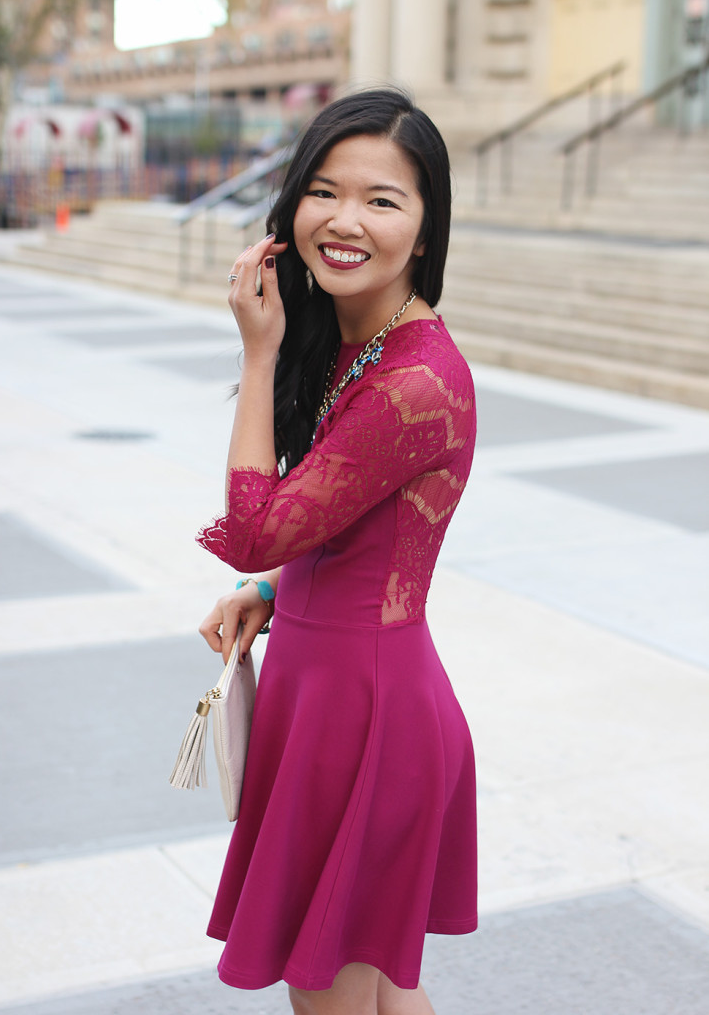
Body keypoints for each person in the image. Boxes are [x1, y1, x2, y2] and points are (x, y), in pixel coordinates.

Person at [197, 88, 477, 1015]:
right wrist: (275, 590)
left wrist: (257, 353)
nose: (344, 219)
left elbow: (254, 525)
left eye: (382, 199)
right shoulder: (361, 347)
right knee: (378, 995)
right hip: (330, 695)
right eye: (323, 190)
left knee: (335, 999)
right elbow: (340, 526)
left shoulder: (414, 382)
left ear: (426, 230)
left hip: (364, 720)